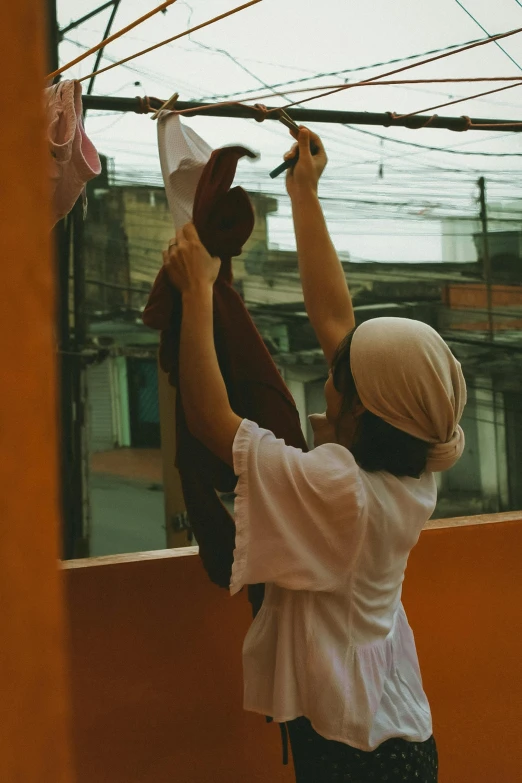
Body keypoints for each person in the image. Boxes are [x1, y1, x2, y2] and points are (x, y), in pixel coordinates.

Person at [163, 127, 466, 783]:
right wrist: (305, 191)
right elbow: (336, 320)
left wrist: (197, 293)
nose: (330, 368)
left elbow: (213, 421)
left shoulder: (341, 489)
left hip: (359, 753)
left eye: (341, 376)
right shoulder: (412, 466)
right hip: (395, 728)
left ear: (361, 409)